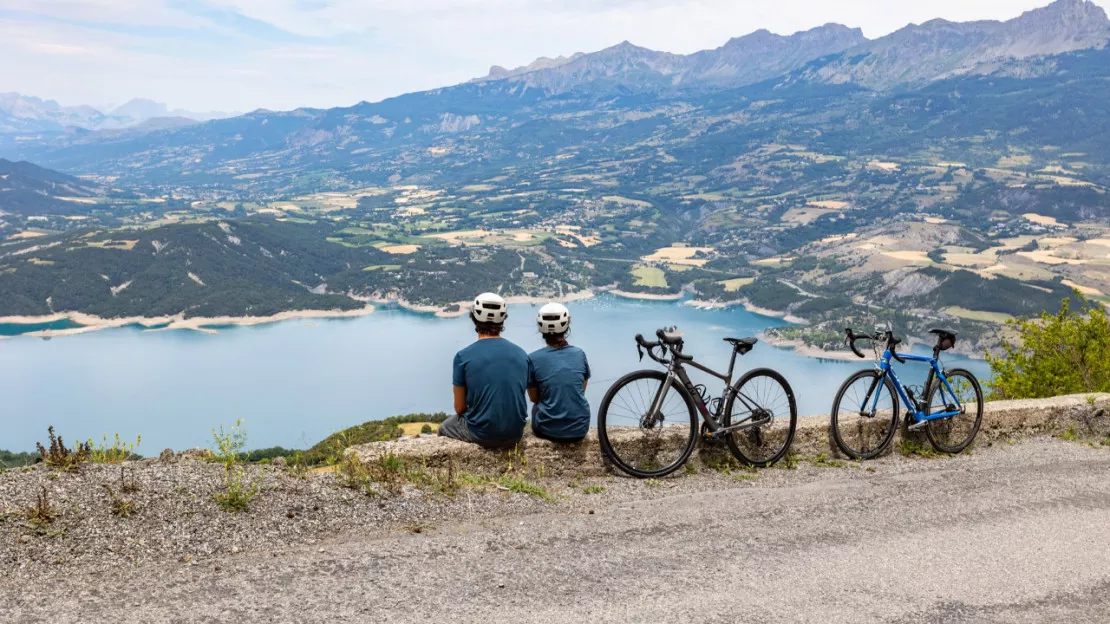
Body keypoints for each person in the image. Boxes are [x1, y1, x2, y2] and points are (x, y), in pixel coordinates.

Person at [439, 292, 531, 449]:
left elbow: (459, 408)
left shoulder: (463, 357)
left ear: (474, 318)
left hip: (482, 434)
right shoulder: (522, 354)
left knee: (444, 427)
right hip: (515, 433)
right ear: (502, 319)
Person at [527, 302, 592, 443]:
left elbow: (534, 398)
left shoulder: (532, 359)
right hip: (580, 429)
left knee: (536, 407)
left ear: (540, 328)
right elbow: (581, 389)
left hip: (547, 430)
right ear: (566, 326)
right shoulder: (579, 354)